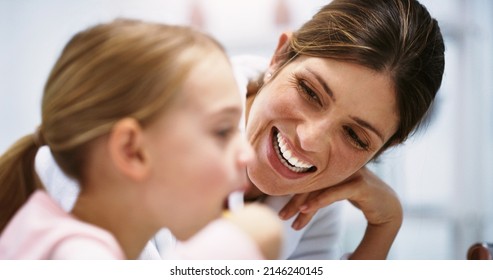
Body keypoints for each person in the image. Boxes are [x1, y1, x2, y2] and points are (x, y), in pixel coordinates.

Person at [35, 0, 445, 260]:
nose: (310, 140)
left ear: (381, 151)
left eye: (356, 137)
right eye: (310, 92)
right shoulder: (151, 116)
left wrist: (384, 227)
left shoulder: (315, 206)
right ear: (280, 55)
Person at [0, 19, 282, 259]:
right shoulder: (77, 256)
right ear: (131, 150)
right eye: (222, 131)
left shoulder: (39, 229)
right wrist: (244, 239)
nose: (245, 154)